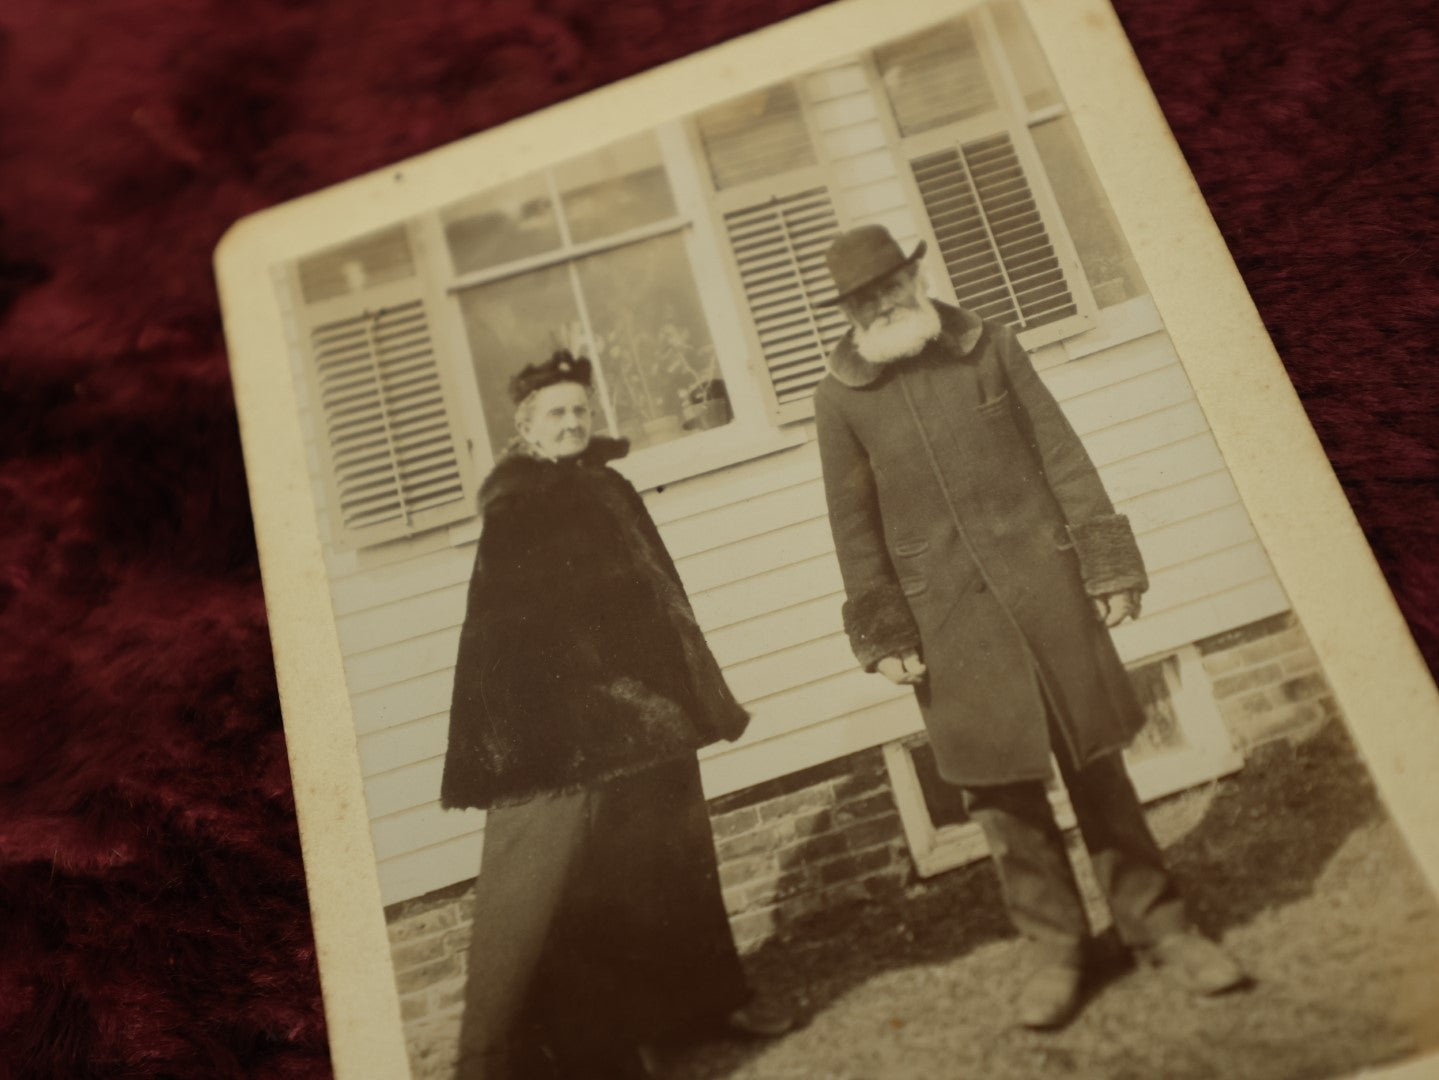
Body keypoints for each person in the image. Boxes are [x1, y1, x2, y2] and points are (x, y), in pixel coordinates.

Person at [812, 225, 1246, 1030]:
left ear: (915, 276)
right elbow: (852, 528)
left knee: (1098, 766)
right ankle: (1057, 952)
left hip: (1049, 589)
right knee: (1000, 795)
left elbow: (1063, 457)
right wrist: (884, 632)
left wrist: (1108, 565)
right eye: (865, 298)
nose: (884, 303)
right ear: (849, 311)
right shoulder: (839, 398)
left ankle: (1161, 925)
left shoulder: (987, 346)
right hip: (943, 620)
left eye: (892, 285)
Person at [439, 351, 791, 1078]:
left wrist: (679, 694)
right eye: (556, 415)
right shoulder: (518, 506)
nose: (571, 424)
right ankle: (558, 1049)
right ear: (526, 427)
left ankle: (704, 1003)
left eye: (579, 412)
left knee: (675, 866)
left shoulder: (607, 486)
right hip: (583, 730)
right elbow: (510, 634)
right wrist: (596, 706)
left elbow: (659, 600)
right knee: (589, 891)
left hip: (655, 716)